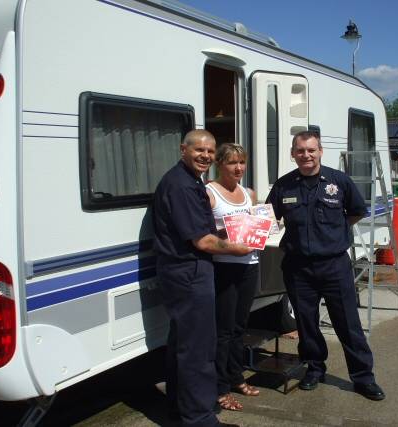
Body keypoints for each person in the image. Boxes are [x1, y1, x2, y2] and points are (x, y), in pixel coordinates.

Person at [266, 130, 385, 401]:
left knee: (348, 324)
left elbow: (355, 212)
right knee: (307, 324)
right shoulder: (284, 185)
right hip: (298, 267)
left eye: (311, 150)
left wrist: (333, 234)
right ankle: (314, 369)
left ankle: (363, 378)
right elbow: (269, 217)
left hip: (334, 266)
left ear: (320, 151)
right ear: (292, 154)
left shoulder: (338, 181)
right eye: (300, 151)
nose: (306, 155)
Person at [153, 130, 251, 426]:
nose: (206, 156)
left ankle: (178, 409)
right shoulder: (182, 185)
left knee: (182, 346)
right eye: (199, 150)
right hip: (189, 273)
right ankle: (200, 418)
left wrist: (237, 230)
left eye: (210, 151)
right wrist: (239, 247)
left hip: (183, 272)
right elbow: (202, 242)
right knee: (197, 351)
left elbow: (202, 228)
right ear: (184, 149)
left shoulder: (187, 180)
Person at [205, 144, 260, 412]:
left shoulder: (249, 193)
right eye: (231, 163)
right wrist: (229, 233)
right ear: (219, 164)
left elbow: (258, 226)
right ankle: (220, 388)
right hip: (224, 267)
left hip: (249, 265)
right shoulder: (210, 193)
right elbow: (204, 233)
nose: (238, 168)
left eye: (241, 162)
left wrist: (265, 228)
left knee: (240, 327)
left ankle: (237, 377)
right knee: (223, 332)